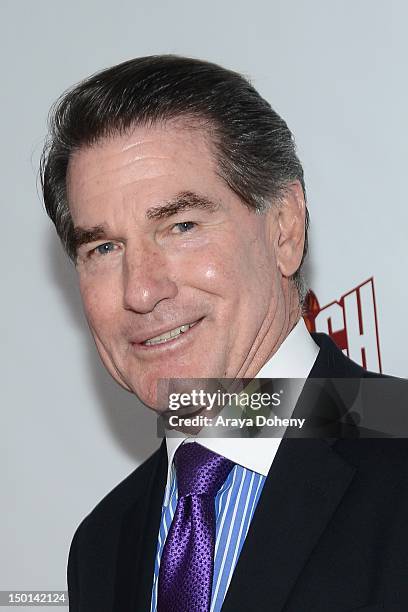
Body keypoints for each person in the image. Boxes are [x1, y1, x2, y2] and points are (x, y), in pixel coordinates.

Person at [40, 55, 408, 612]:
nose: (140, 290)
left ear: (285, 227)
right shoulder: (103, 544)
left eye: (180, 226)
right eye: (104, 248)